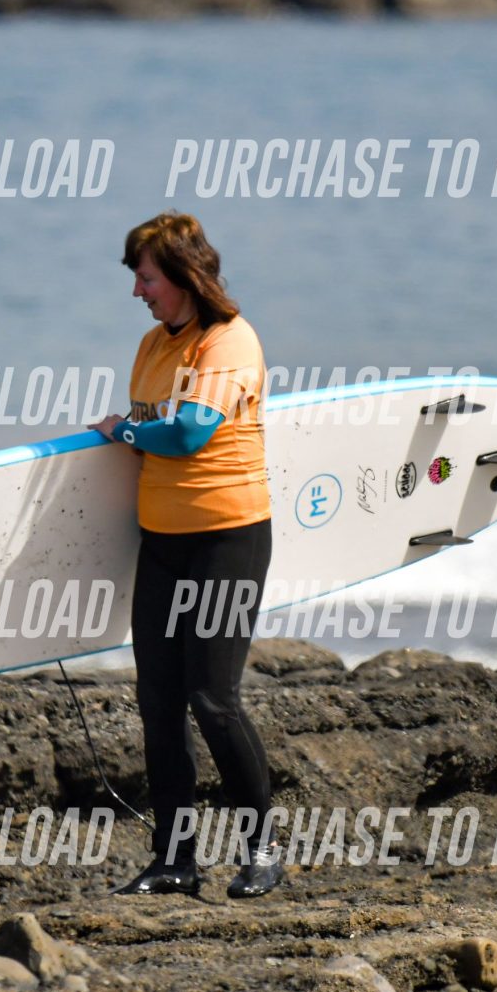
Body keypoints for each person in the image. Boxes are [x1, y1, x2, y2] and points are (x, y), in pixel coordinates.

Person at [90, 212, 281, 899]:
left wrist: (123, 429)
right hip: (163, 542)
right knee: (159, 701)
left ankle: (263, 848)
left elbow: (188, 435)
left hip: (228, 537)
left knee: (213, 698)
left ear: (181, 276)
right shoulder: (152, 345)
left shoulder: (229, 340)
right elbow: (157, 432)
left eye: (146, 278)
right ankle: (175, 860)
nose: (137, 292)